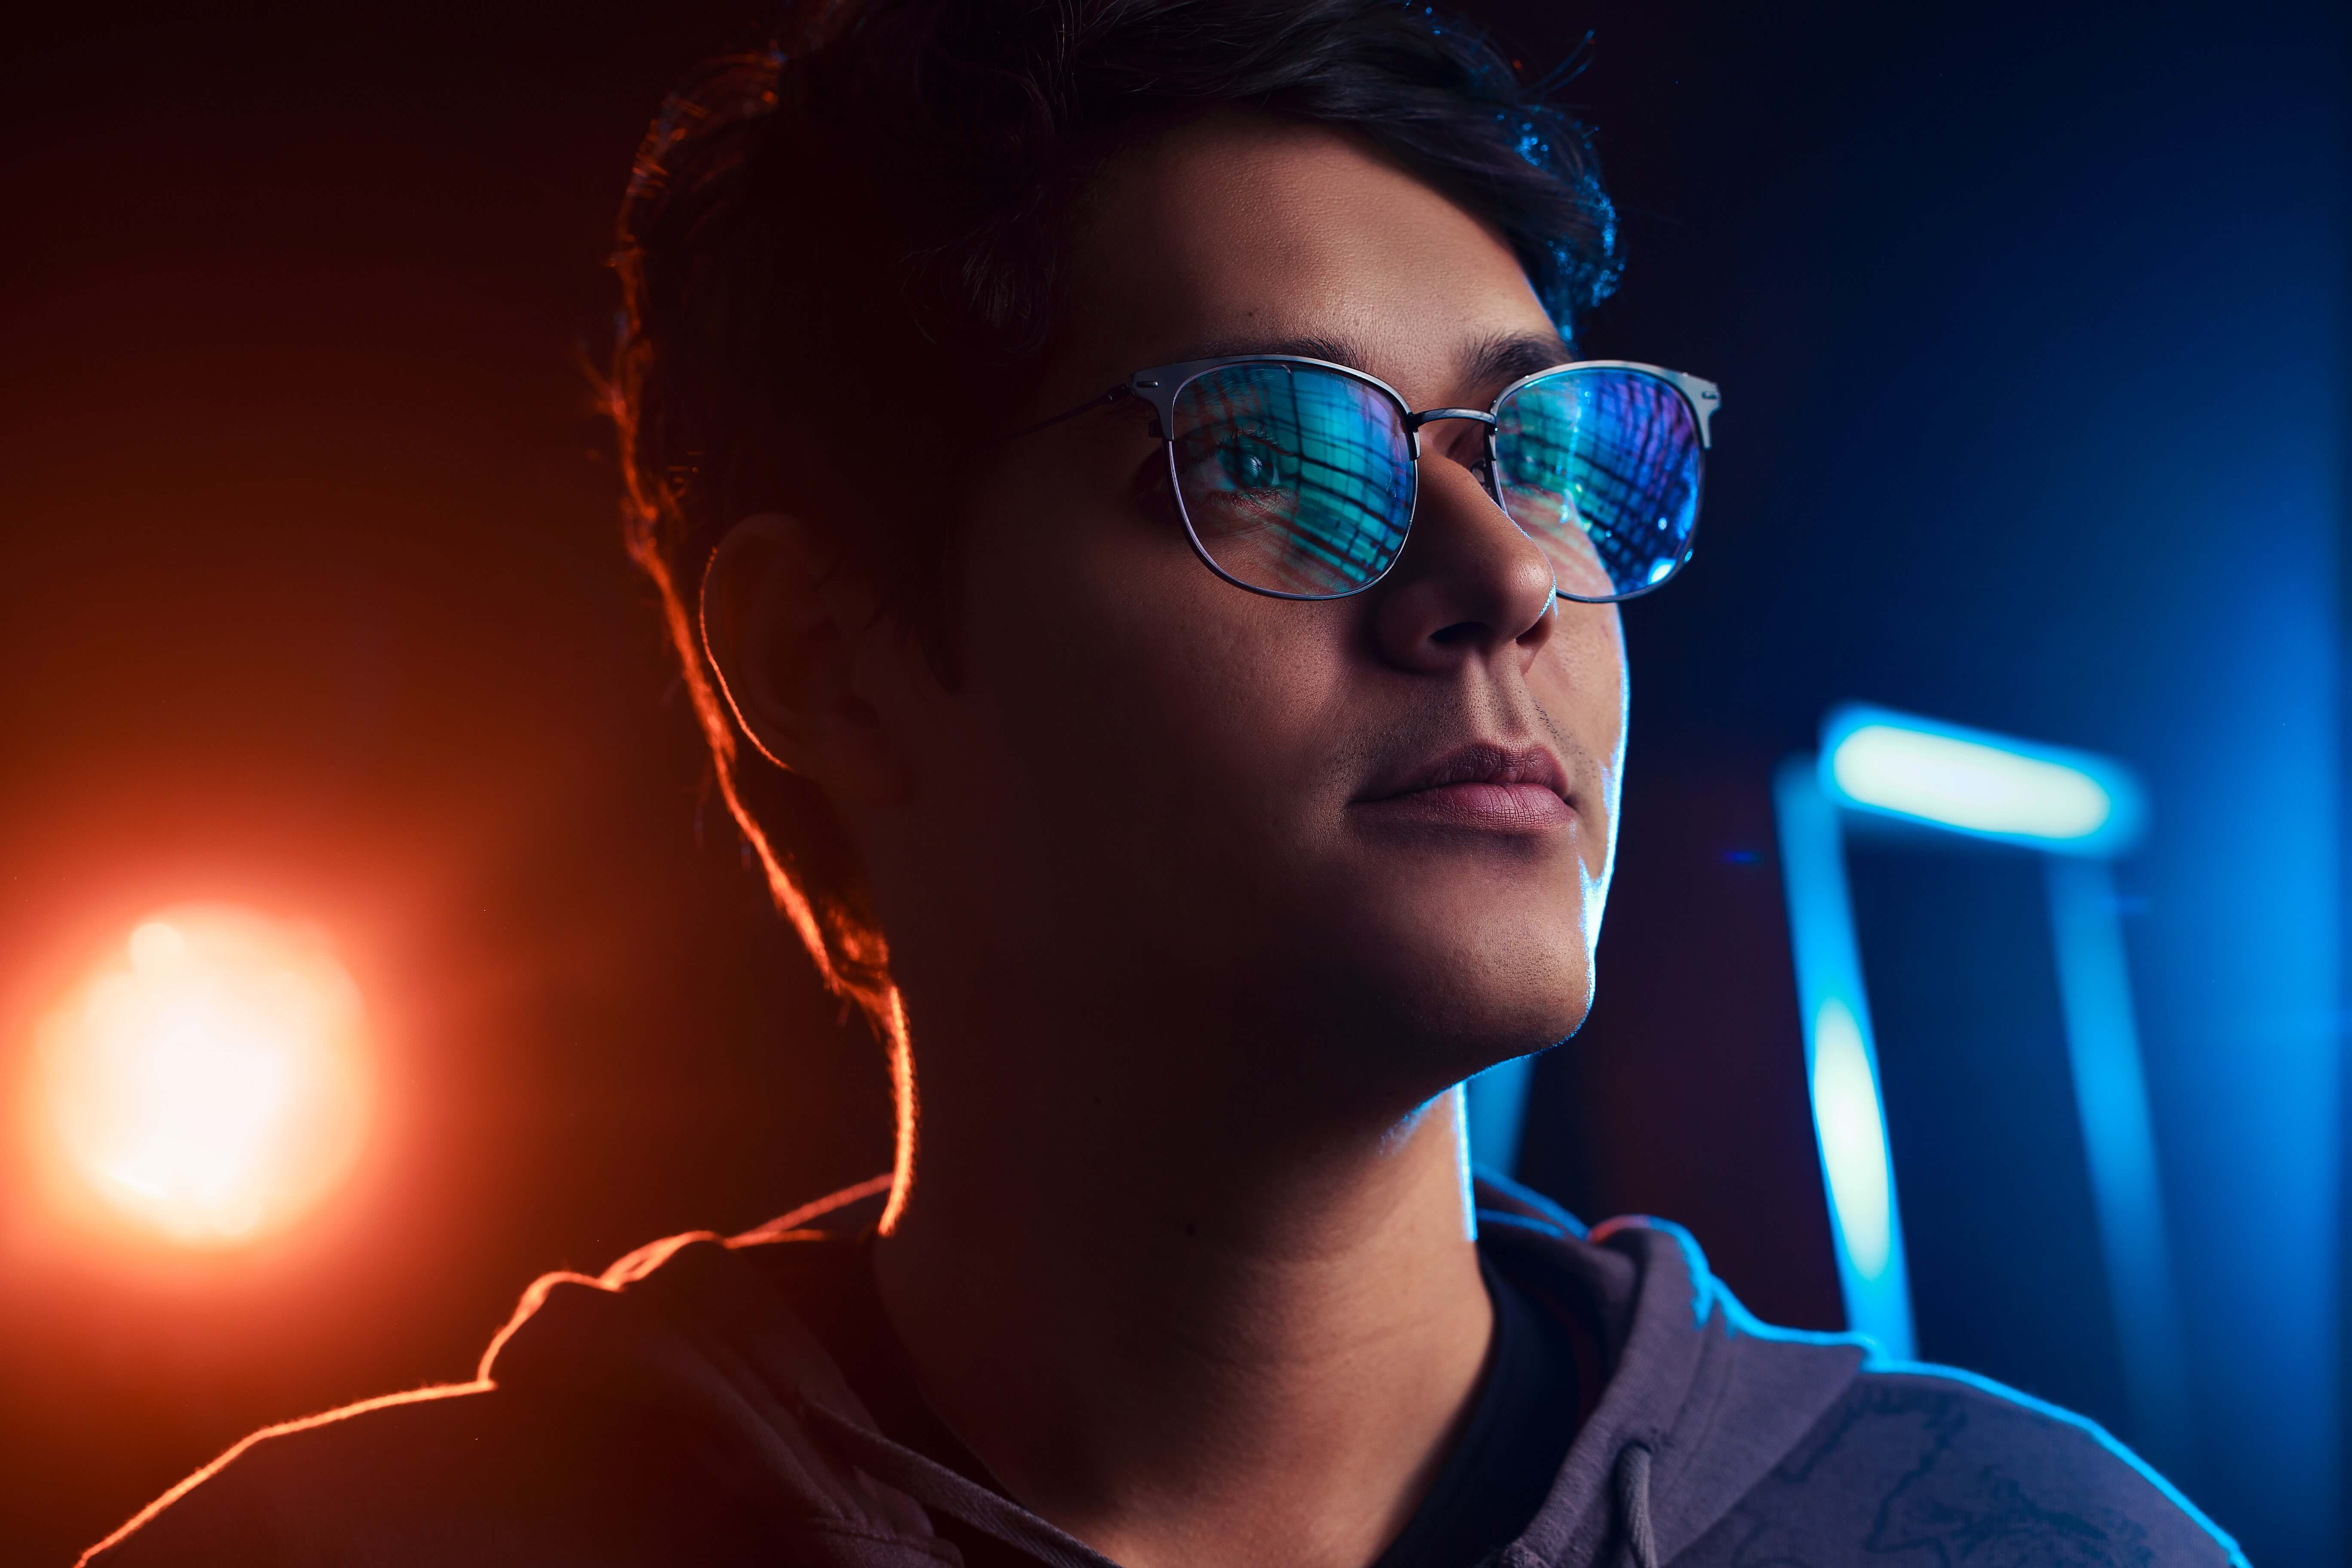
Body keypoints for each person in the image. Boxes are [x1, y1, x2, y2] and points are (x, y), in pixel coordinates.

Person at [83, 1, 2243, 1564]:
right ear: (830, 662)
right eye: (1282, 455)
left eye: (1551, 453)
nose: (1503, 580)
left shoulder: (2022, 1542)